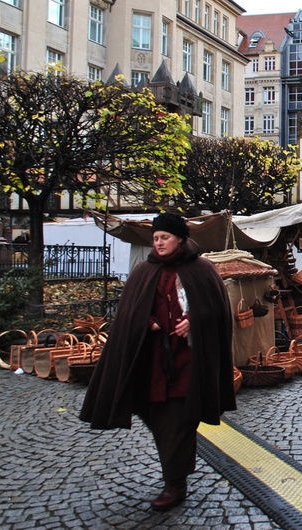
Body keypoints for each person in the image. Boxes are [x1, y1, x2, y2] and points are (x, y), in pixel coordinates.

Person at [80, 212, 236, 512]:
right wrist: (148, 321)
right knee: (158, 418)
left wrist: (194, 320)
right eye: (155, 238)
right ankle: (176, 472)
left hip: (188, 362)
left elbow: (217, 310)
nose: (159, 243)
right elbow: (130, 312)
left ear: (180, 238)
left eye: (164, 237)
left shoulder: (201, 270)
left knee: (178, 421)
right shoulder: (144, 271)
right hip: (152, 363)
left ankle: (174, 483)